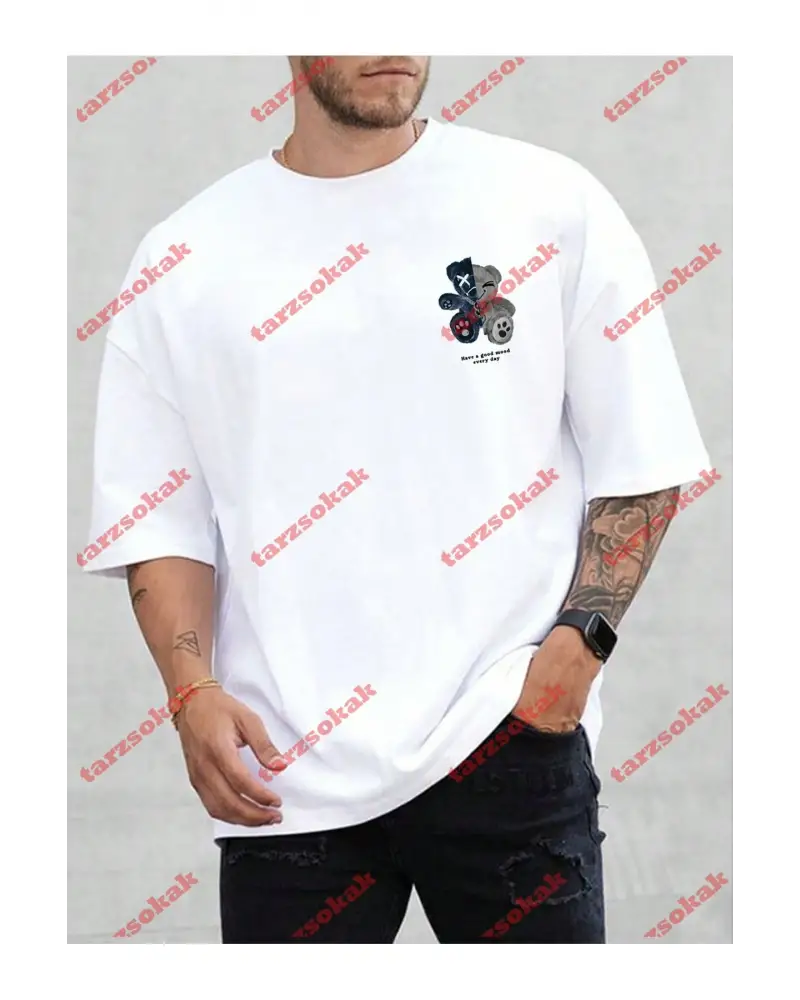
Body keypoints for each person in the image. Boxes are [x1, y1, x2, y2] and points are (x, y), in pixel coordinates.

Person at [82, 55, 711, 944]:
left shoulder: (546, 203)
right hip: (285, 775)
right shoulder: (186, 257)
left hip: (509, 736)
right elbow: (159, 515)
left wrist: (577, 652)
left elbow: (643, 457)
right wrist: (191, 692)